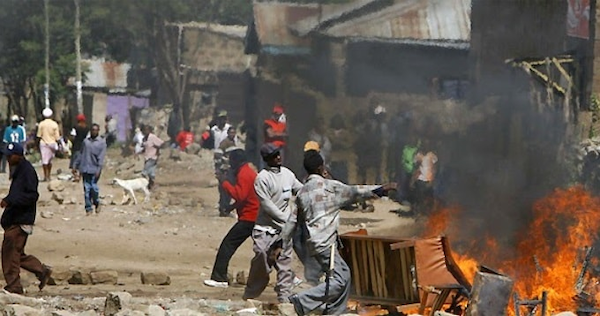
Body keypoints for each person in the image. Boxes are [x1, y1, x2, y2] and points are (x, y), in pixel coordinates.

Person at [283, 150, 396, 315]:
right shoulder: (330, 187)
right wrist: (381, 189)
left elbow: (293, 221)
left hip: (313, 244)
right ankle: (302, 300)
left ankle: (335, 311)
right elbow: (356, 191)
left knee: (341, 276)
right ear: (322, 168)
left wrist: (281, 242)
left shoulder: (302, 192)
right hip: (326, 243)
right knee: (341, 279)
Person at [243, 142, 303, 303]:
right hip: (265, 229)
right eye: (273, 156)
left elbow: (301, 190)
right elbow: (268, 206)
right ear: (266, 159)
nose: (278, 157)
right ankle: (251, 292)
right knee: (262, 257)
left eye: (278, 154)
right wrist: (289, 221)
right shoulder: (262, 178)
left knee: (284, 265)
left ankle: (284, 298)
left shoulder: (288, 174)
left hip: (283, 231)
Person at [0, 142, 52, 294]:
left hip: (21, 220)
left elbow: (31, 196)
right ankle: (41, 271)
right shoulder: (19, 170)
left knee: (9, 253)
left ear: (19, 155)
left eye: (11, 156)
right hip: (15, 219)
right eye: (7, 156)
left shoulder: (27, 171)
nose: (8, 159)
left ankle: (14, 286)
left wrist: (10, 201)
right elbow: (17, 193)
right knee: (16, 253)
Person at [204, 149, 259, 288]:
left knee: (227, 245)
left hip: (249, 217)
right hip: (253, 216)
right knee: (266, 249)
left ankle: (219, 277)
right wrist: (231, 207)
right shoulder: (247, 172)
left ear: (236, 161)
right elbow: (245, 197)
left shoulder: (244, 174)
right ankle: (289, 275)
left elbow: (240, 195)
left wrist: (225, 183)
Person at [74, 124, 106, 216]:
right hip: (85, 168)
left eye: (96, 130)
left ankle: (96, 202)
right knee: (87, 189)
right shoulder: (86, 142)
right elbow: (81, 154)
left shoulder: (101, 143)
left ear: (98, 131)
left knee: (94, 188)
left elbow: (101, 157)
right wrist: (75, 166)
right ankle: (88, 208)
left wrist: (99, 169)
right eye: (92, 130)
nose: (94, 132)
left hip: (95, 168)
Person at [212, 111, 232, 215]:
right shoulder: (213, 130)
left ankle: (226, 204)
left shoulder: (230, 130)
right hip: (218, 160)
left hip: (228, 160)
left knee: (228, 182)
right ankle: (222, 204)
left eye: (224, 118)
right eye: (221, 118)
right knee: (221, 182)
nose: (222, 120)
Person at [412, 145, 438, 215]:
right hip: (420, 179)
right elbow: (415, 167)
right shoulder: (418, 155)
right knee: (419, 197)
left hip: (429, 178)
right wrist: (414, 178)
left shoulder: (432, 155)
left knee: (429, 197)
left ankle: (428, 212)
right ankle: (418, 212)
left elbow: (435, 168)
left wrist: (433, 178)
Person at [36, 108, 61, 182]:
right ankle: (49, 175)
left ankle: (45, 176)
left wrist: (36, 145)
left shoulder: (41, 124)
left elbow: (38, 135)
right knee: (50, 160)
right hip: (52, 143)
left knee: (44, 160)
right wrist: (60, 145)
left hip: (43, 143)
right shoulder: (54, 124)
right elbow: (57, 137)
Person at [141, 125, 165, 190]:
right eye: (144, 130)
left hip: (152, 157)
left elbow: (161, 143)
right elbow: (144, 147)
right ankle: (151, 186)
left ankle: (144, 186)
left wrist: (157, 151)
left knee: (144, 172)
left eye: (147, 130)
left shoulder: (152, 137)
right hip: (147, 157)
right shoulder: (144, 139)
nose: (145, 131)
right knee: (151, 173)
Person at [69, 114, 90, 182]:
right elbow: (88, 138)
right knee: (82, 162)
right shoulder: (87, 128)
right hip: (84, 147)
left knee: (75, 161)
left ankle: (75, 175)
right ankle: (80, 176)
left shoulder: (75, 127)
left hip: (76, 147)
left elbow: (72, 136)